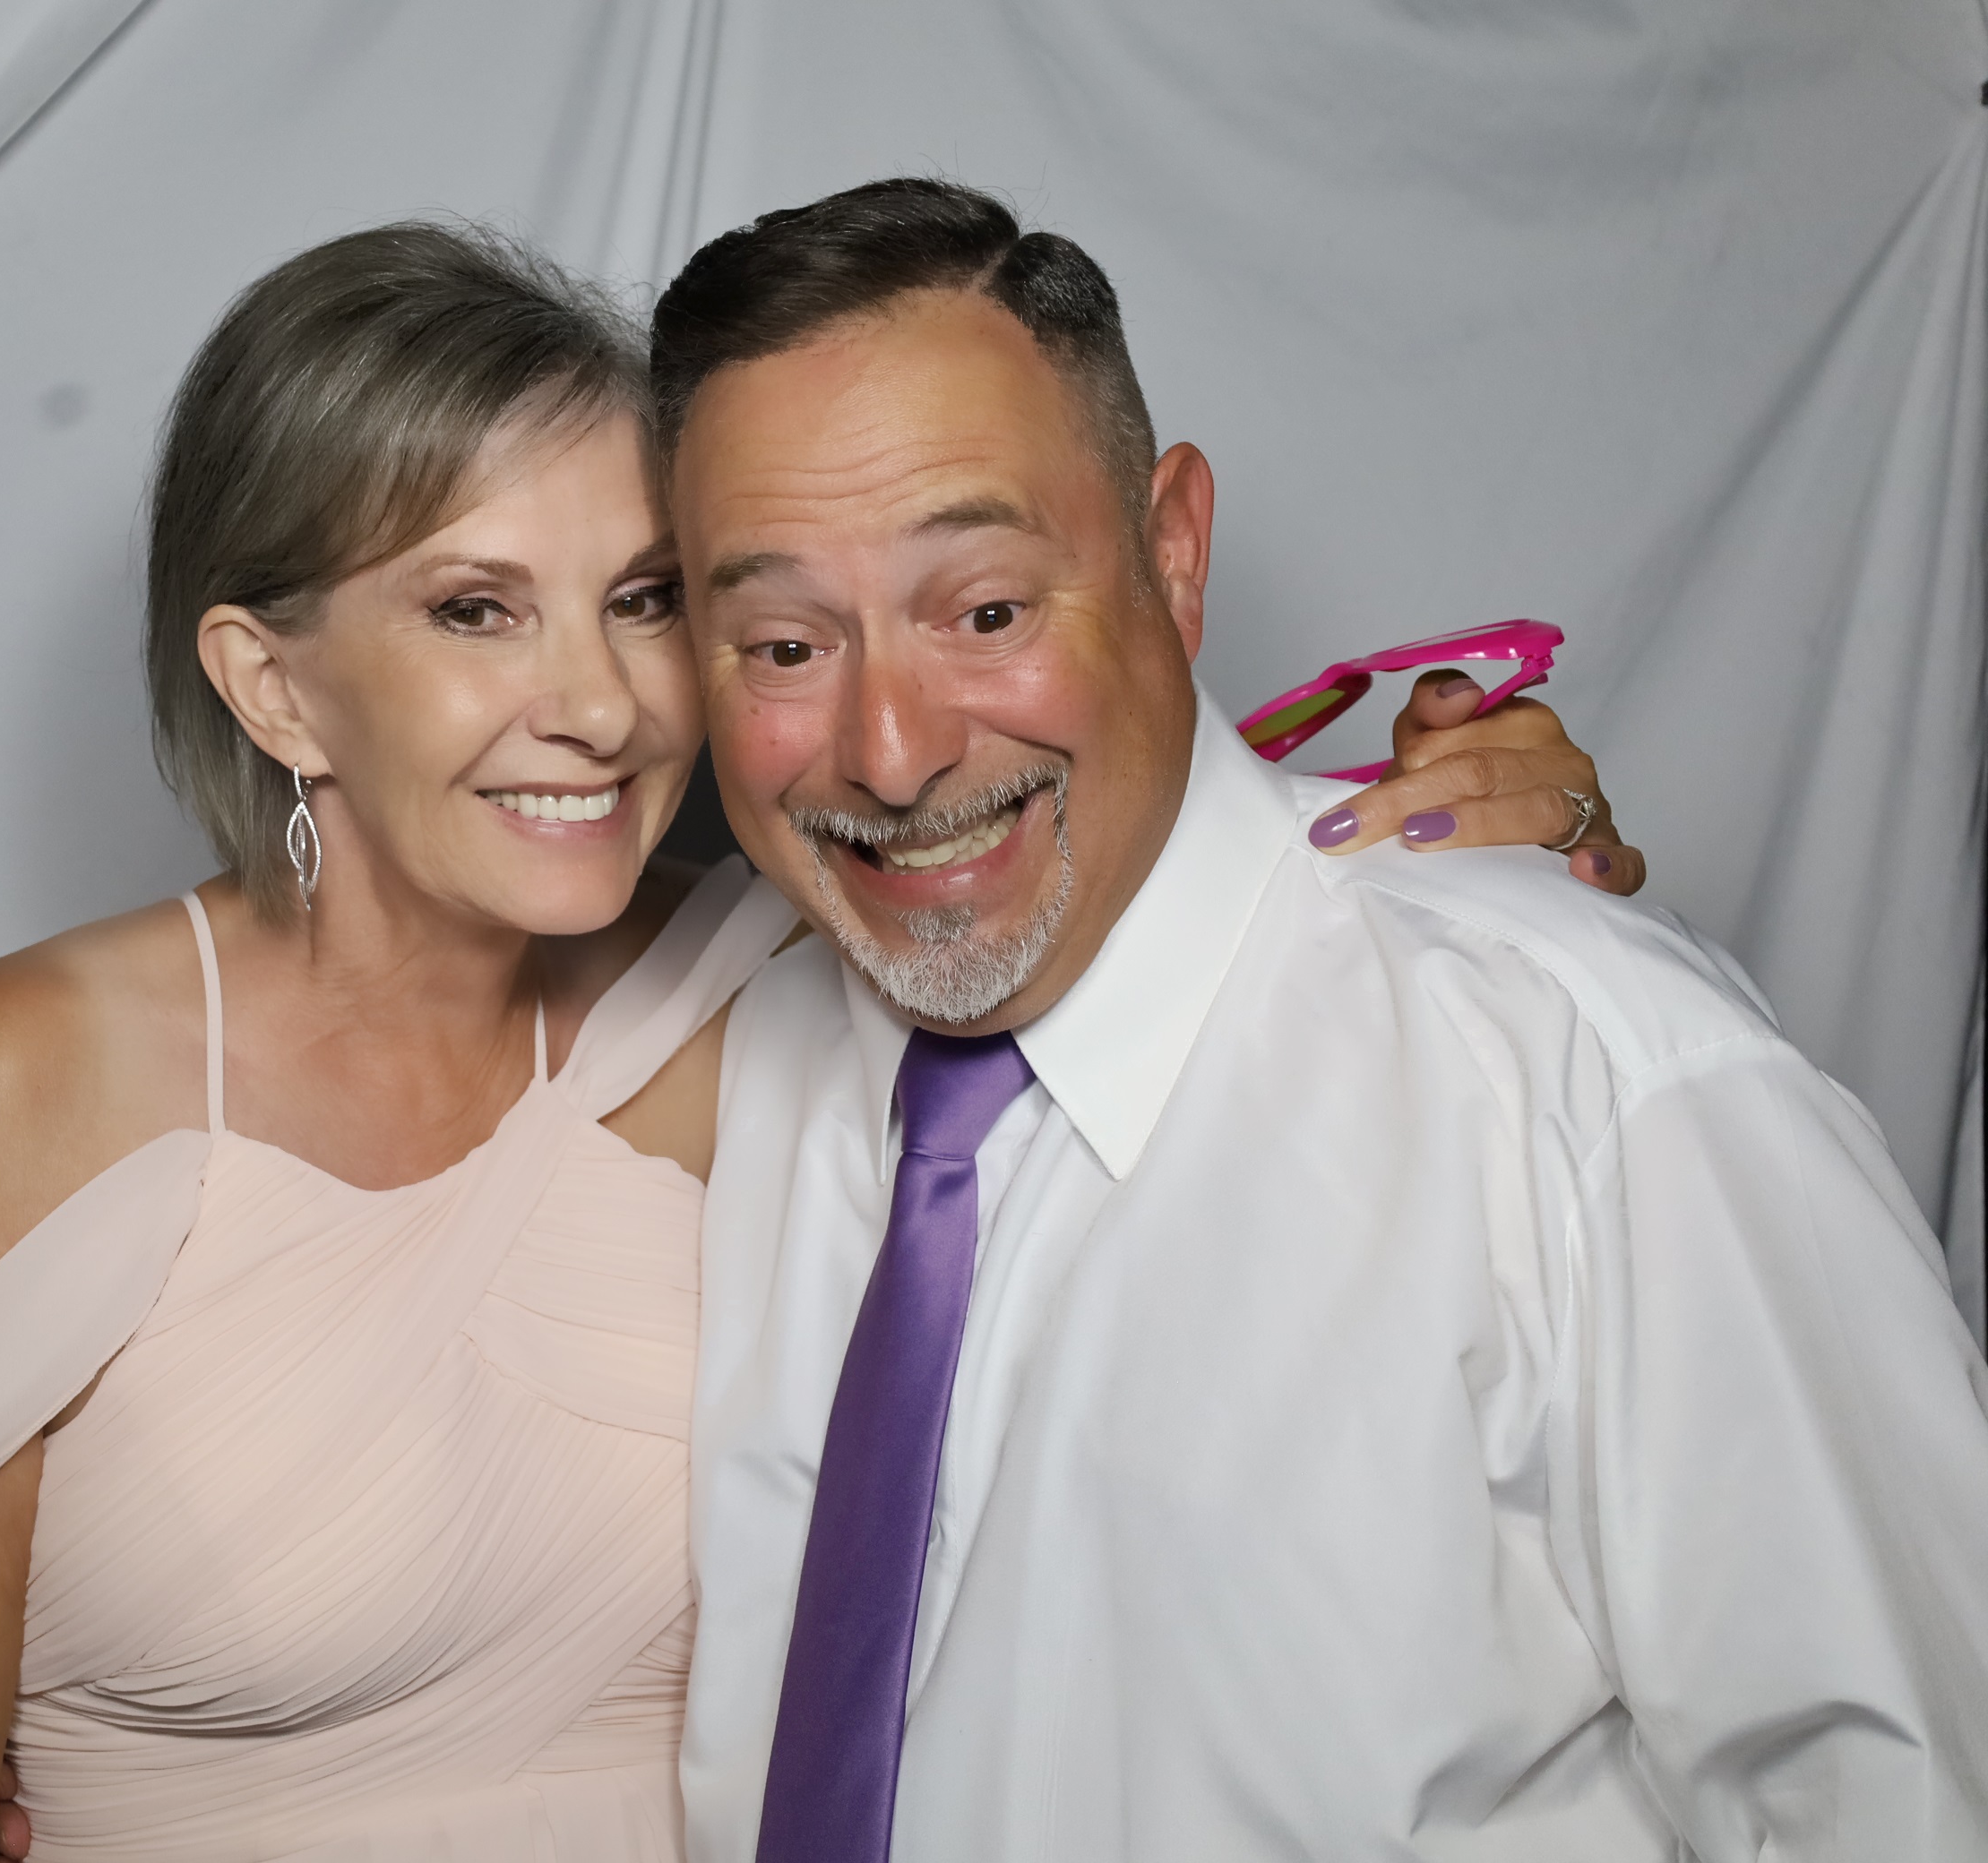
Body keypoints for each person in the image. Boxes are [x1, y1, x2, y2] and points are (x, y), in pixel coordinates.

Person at [0, 221, 1641, 1862]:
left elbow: (1141, 885)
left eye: (644, 601)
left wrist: (1515, 826)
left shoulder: (795, 992)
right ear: (273, 684)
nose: (597, 704)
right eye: (477, 609)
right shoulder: (22, 1082)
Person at [662, 179, 1988, 1862]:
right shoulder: (737, 1044)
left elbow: (1914, 1801)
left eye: (986, 612)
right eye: (784, 645)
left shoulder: (1580, 1083)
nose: (893, 751)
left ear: (1172, 552)